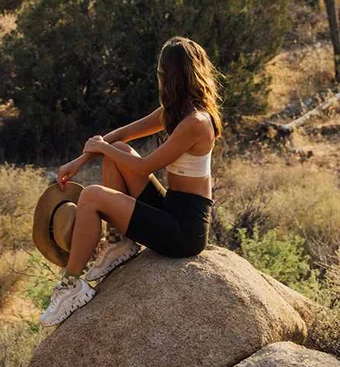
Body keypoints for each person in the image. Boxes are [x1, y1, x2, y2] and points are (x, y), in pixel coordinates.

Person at [38, 36, 222, 327]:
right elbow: (118, 137)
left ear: (169, 75)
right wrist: (80, 161)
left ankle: (71, 285)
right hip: (170, 209)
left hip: (185, 232)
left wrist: (101, 149)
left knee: (92, 196)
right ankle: (119, 241)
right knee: (119, 153)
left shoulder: (195, 123)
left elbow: (147, 165)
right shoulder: (174, 114)